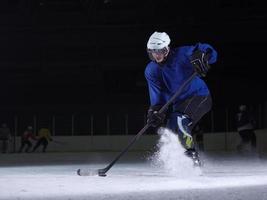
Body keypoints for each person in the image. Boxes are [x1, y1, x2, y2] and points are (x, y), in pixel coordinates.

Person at [145, 31, 217, 166]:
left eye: (160, 50)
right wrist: (155, 110)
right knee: (171, 132)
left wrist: (203, 55)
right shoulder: (151, 70)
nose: (157, 54)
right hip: (179, 104)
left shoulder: (183, 54)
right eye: (153, 51)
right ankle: (179, 161)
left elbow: (210, 53)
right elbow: (157, 95)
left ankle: (191, 157)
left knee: (179, 120)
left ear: (167, 49)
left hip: (199, 96)